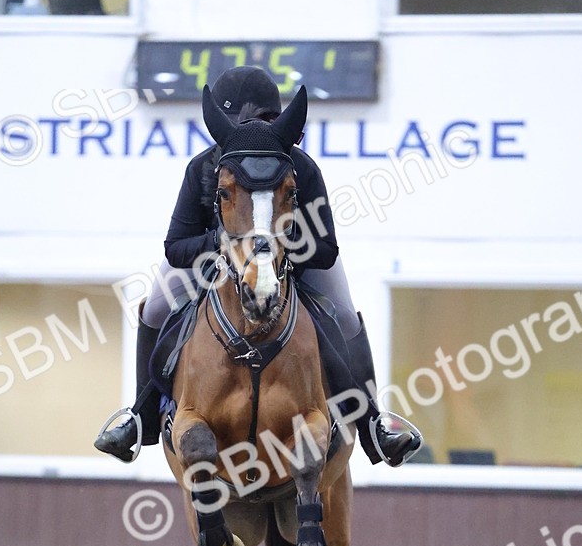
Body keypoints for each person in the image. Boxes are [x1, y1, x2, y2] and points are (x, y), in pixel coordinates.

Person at [94, 65, 422, 467]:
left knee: (346, 319)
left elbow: (325, 249)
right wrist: (224, 243)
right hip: (210, 264)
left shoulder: (301, 168)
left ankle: (373, 424)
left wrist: (273, 249)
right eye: (260, 122)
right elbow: (176, 247)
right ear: (233, 125)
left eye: (273, 121)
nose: (267, 133)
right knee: (155, 309)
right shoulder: (202, 168)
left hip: (292, 266)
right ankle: (141, 415)